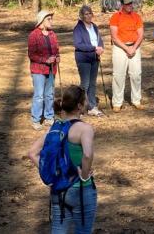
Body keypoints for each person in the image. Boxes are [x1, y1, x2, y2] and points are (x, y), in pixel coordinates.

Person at [28, 85, 97, 234]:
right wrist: (84, 176)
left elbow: (32, 153)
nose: (86, 104)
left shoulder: (55, 128)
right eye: (84, 101)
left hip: (58, 188)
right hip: (81, 189)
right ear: (79, 106)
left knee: (58, 230)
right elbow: (87, 155)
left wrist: (52, 175)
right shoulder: (85, 129)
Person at [109, 0, 144, 111]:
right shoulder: (115, 17)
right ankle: (117, 102)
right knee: (118, 75)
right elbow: (114, 37)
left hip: (134, 46)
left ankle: (136, 100)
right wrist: (126, 48)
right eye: (127, 4)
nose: (130, 6)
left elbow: (141, 34)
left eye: (131, 4)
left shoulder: (137, 17)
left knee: (136, 74)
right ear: (122, 5)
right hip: (120, 47)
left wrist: (133, 48)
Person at [28, 10, 60, 130]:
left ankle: (49, 117)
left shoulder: (52, 34)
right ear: (41, 21)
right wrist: (45, 60)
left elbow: (56, 49)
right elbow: (32, 55)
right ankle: (36, 119)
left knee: (50, 94)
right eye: (49, 19)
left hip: (52, 69)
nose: (51, 21)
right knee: (39, 96)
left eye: (51, 19)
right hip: (38, 70)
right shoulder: (34, 35)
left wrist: (57, 57)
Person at [73, 5, 105, 117]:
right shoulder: (78, 28)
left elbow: (99, 40)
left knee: (92, 84)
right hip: (83, 59)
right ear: (82, 16)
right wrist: (94, 48)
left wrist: (100, 48)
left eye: (90, 13)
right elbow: (78, 44)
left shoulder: (94, 27)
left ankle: (92, 107)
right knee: (85, 84)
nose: (88, 15)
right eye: (86, 14)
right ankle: (80, 108)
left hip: (95, 58)